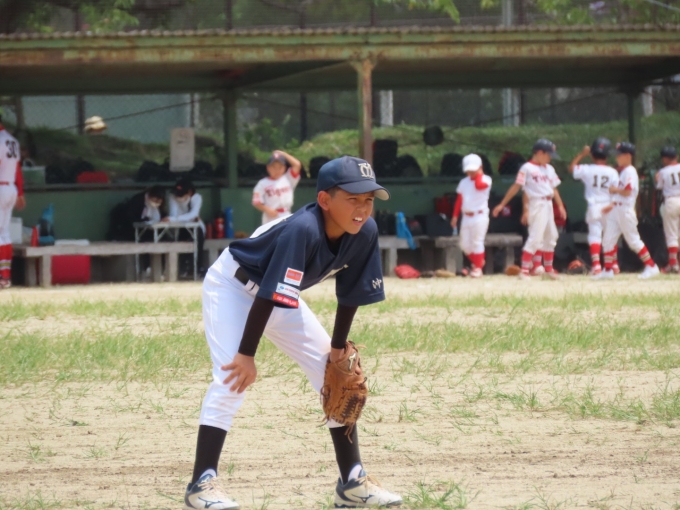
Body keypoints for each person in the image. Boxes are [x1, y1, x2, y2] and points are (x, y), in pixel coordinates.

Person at [184, 156, 402, 510]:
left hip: (276, 294)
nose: (362, 208)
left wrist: (337, 349)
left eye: (368, 199)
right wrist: (246, 355)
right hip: (233, 286)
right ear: (324, 200)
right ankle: (201, 484)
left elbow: (350, 294)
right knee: (231, 377)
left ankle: (352, 482)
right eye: (352, 198)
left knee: (335, 377)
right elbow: (269, 293)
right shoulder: (303, 229)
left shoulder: (365, 231)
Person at [492, 139, 567, 280]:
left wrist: (560, 205)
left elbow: (554, 189)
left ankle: (548, 269)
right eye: (548, 155)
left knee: (551, 235)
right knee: (535, 237)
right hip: (536, 203)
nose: (550, 158)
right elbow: (517, 187)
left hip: (548, 203)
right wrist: (502, 204)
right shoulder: (527, 168)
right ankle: (525, 270)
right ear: (539, 153)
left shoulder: (549, 168)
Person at [599, 142, 660, 280]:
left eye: (619, 155)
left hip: (625, 209)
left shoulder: (630, 171)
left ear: (628, 155)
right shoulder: (624, 171)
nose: (617, 158)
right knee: (608, 240)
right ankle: (607, 270)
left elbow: (628, 191)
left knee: (633, 240)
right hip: (617, 209)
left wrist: (614, 190)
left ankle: (651, 266)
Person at [568, 138, 619, 277]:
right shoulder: (612, 172)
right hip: (609, 205)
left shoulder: (587, 169)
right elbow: (616, 191)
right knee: (611, 236)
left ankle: (596, 266)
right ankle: (613, 265)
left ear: (592, 155)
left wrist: (582, 154)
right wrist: (613, 204)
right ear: (607, 156)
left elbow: (571, 169)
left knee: (594, 236)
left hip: (594, 206)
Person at [450, 154, 491, 278]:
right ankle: (478, 261)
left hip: (480, 215)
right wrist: (455, 216)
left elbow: (479, 185)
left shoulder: (486, 179)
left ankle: (477, 268)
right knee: (464, 244)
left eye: (473, 170)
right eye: (468, 170)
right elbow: (459, 199)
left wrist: (479, 173)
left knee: (477, 242)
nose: (471, 173)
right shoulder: (464, 182)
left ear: (480, 167)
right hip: (466, 216)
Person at [0, 113, 25, 289]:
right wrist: (20, 192)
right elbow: (17, 170)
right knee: (4, 233)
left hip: (1, 187)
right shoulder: (12, 140)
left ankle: (3, 276)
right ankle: (6, 276)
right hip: (10, 188)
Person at [164, 178, 205, 275]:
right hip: (180, 227)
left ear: (189, 192)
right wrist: (179, 219)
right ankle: (181, 269)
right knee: (179, 241)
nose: (178, 196)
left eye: (181, 194)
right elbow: (173, 214)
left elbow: (194, 214)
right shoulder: (172, 196)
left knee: (198, 240)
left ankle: (198, 268)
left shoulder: (197, 198)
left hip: (196, 227)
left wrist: (176, 219)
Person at [252, 150, 302, 224]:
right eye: (274, 167)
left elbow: (297, 165)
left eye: (280, 167)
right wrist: (267, 209)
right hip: (271, 216)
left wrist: (283, 154)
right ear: (268, 168)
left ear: (284, 168)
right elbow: (256, 202)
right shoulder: (262, 183)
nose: (277, 170)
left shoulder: (288, 178)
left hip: (286, 214)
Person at [655, 146, 680, 273]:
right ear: (676, 156)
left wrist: (656, 178)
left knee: (672, 234)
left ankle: (673, 263)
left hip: (671, 201)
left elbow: (659, 186)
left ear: (665, 159)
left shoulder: (663, 171)